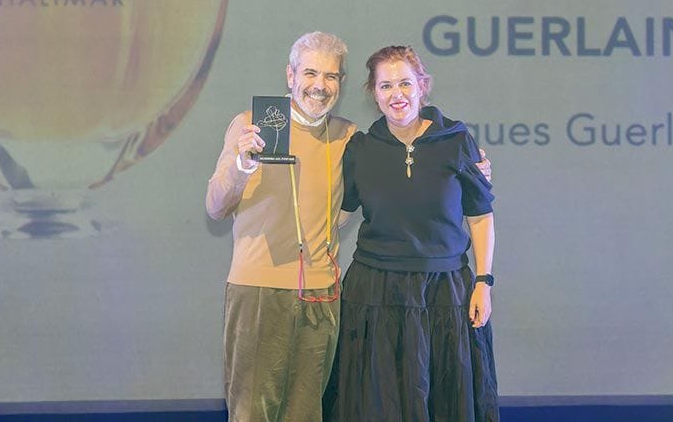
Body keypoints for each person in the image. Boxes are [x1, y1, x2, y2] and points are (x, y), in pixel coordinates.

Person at [207, 34, 492, 421]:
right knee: (253, 410)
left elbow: (343, 206)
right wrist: (240, 165)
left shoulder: (347, 137)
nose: (319, 85)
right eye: (310, 72)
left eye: (330, 75)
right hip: (265, 290)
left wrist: (473, 175)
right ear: (289, 75)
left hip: (325, 293)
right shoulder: (254, 127)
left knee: (308, 411)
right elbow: (216, 206)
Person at [324, 45, 499, 422]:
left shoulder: (456, 142)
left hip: (445, 291)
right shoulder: (361, 149)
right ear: (374, 93)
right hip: (374, 293)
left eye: (405, 83)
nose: (396, 94)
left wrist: (483, 282)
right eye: (386, 86)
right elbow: (337, 216)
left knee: (444, 402)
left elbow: (480, 215)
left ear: (422, 86)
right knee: (377, 404)